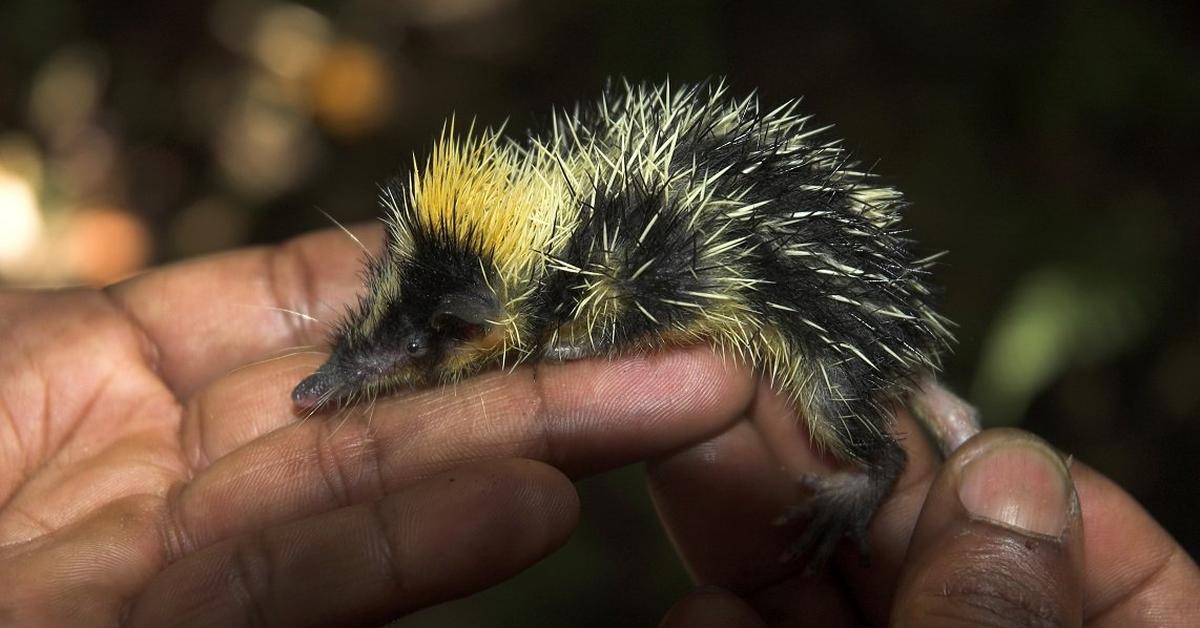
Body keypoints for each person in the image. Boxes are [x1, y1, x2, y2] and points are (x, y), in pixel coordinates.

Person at [0, 225, 1195, 628]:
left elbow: (657, 299)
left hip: (821, 306)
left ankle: (888, 450)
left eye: (412, 343)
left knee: (843, 414)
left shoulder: (609, 278)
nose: (350, 375)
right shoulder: (527, 281)